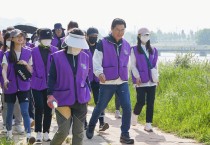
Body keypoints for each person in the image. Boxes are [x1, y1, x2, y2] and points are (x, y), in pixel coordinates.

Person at [86, 18, 134, 144]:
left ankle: (124, 135)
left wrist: (128, 76)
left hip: (122, 81)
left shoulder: (127, 45)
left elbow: (128, 63)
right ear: (112, 29)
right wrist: (99, 73)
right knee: (101, 106)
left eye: (122, 30)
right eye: (117, 30)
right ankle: (91, 126)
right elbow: (96, 61)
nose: (120, 32)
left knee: (127, 108)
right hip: (107, 81)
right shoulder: (102, 43)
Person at [47, 28, 91, 145]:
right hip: (62, 98)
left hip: (80, 100)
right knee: (63, 132)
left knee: (79, 132)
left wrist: (89, 92)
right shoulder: (56, 57)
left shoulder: (85, 57)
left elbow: (86, 77)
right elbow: (51, 78)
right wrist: (50, 95)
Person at [2, 29, 33, 142]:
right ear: (12, 39)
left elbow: (32, 70)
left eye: (21, 36)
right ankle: (9, 134)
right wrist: (5, 79)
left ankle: (29, 135)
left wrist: (26, 64)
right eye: (17, 36)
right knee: (10, 111)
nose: (20, 38)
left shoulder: (28, 53)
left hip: (24, 86)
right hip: (10, 85)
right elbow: (4, 69)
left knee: (25, 111)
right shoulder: (7, 54)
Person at [31, 28, 58, 142]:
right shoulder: (33, 51)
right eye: (45, 39)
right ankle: (38, 133)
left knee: (49, 108)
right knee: (39, 107)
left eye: (49, 39)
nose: (47, 41)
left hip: (50, 85)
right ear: (39, 39)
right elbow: (30, 67)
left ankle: (46, 132)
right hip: (37, 84)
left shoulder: (55, 50)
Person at [130, 27, 159, 132]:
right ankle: (134, 115)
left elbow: (156, 65)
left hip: (152, 81)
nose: (146, 37)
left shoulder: (154, 49)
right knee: (141, 102)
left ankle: (148, 124)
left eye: (147, 35)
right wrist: (137, 77)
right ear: (139, 36)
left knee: (151, 103)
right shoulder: (134, 49)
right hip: (141, 80)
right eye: (143, 35)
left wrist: (157, 78)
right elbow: (133, 65)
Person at [84, 27, 109, 131]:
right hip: (86, 79)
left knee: (100, 101)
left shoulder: (100, 47)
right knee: (84, 101)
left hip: (97, 79)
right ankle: (84, 122)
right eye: (92, 36)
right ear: (87, 36)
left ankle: (102, 123)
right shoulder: (83, 48)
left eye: (95, 36)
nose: (94, 38)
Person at [0, 31, 25, 134]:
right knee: (6, 104)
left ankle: (18, 124)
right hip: (5, 83)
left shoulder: (18, 51)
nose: (11, 41)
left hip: (18, 83)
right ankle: (6, 124)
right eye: (9, 39)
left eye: (12, 39)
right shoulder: (2, 53)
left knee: (17, 104)